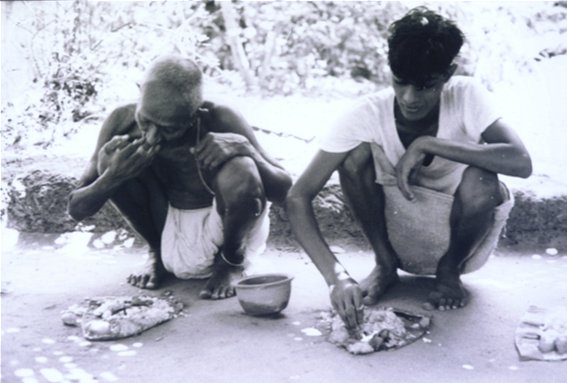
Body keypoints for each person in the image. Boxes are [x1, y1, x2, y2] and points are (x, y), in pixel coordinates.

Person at [285, 7, 532, 330]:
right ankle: (385, 265)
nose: (410, 97)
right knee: (354, 155)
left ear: (448, 74)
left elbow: (521, 162)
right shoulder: (366, 113)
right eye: (400, 83)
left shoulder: (467, 95)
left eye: (425, 86)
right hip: (399, 234)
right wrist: (337, 278)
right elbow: (297, 197)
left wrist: (428, 144)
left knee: (484, 177)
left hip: (460, 240)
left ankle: (448, 272)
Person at [68, 55, 292, 299]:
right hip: (168, 231)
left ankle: (232, 262)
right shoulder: (120, 121)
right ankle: (156, 253)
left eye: (169, 128)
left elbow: (285, 193)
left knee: (242, 166)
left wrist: (245, 147)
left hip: (225, 231)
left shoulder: (220, 118)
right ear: (139, 94)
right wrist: (113, 175)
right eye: (146, 121)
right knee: (111, 159)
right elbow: (77, 208)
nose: (152, 136)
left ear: (196, 113)